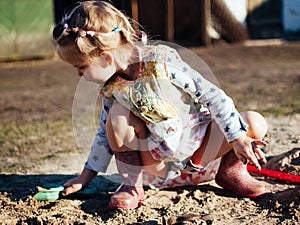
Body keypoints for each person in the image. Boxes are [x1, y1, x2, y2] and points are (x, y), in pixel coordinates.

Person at [52, 0, 269, 210]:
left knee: (254, 122)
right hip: (159, 169)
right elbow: (104, 135)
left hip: (203, 156)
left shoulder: (162, 64)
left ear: (105, 59)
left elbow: (213, 97)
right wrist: (84, 177)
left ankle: (230, 172)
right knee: (116, 117)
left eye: (80, 66)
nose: (79, 74)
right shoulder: (112, 88)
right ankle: (131, 186)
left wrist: (238, 139)